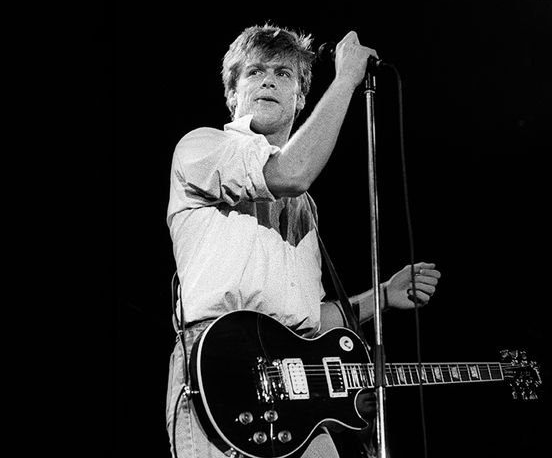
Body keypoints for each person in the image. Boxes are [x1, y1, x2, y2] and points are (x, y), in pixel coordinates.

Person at [165, 23, 442, 458]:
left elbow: (309, 321)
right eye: (254, 72)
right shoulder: (202, 147)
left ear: (300, 97)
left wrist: (384, 295)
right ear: (232, 95)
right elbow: (290, 173)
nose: (268, 80)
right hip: (220, 376)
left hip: (295, 397)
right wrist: (347, 79)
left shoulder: (304, 207)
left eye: (283, 73)